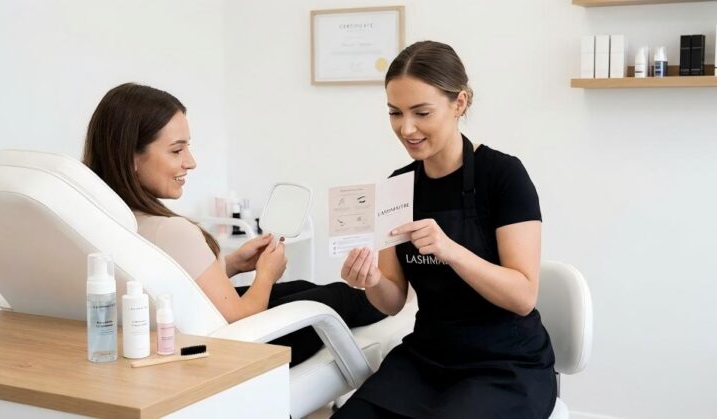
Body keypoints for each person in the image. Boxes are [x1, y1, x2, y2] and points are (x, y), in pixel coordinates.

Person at [82, 83, 385, 366]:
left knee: (303, 287)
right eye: (176, 150)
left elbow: (168, 282)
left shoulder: (102, 221)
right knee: (335, 297)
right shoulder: (171, 230)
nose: (191, 161)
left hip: (188, 329)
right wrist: (267, 275)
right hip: (231, 352)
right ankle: (394, 308)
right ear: (130, 157)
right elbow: (240, 320)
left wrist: (232, 265)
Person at [333, 41, 557, 418]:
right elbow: (392, 301)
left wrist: (450, 249)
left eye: (421, 112)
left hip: (505, 365)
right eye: (395, 113)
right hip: (428, 357)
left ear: (460, 103)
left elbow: (523, 296)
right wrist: (370, 279)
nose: (407, 128)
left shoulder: (503, 176)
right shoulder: (397, 186)